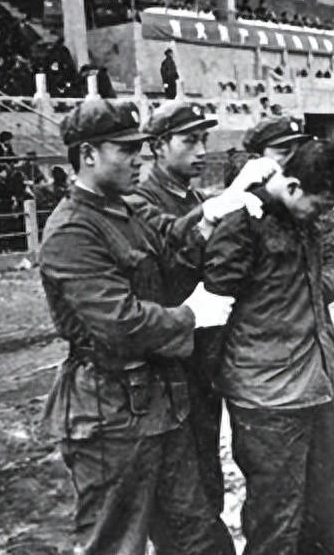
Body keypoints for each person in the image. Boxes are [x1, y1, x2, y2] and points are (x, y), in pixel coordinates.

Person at [38, 99, 238, 555]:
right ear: (88, 154)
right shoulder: (72, 231)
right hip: (108, 415)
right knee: (117, 543)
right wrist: (191, 315)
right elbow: (120, 323)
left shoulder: (124, 210)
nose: (138, 158)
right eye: (125, 149)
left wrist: (213, 214)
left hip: (161, 403)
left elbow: (173, 241)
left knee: (198, 538)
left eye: (140, 148)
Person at [203, 140, 334, 555]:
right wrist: (232, 379)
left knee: (328, 517)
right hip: (267, 402)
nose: (322, 217)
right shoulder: (242, 225)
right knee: (277, 527)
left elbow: (332, 267)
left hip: (312, 389)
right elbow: (212, 316)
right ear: (292, 187)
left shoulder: (303, 217)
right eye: (319, 206)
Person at [122, 101, 226, 521]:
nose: (201, 150)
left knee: (207, 476)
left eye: (204, 140)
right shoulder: (142, 203)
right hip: (170, 362)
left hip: (202, 359)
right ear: (159, 146)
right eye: (189, 141)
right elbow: (163, 281)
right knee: (182, 497)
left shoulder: (193, 197)